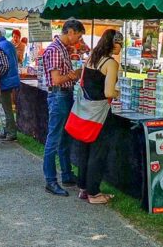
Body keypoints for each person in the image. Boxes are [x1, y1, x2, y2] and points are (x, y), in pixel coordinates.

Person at [74, 29, 122, 204]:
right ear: (112, 43)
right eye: (119, 43)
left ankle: (83, 188)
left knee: (84, 150)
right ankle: (94, 193)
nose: (121, 47)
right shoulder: (110, 63)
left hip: (86, 111)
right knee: (98, 152)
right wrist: (118, 93)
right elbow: (108, 91)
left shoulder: (91, 58)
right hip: (100, 113)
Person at [42, 19, 85, 196]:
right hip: (58, 95)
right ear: (71, 32)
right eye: (79, 36)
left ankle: (67, 174)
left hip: (64, 95)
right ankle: (50, 180)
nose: (79, 40)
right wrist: (74, 74)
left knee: (65, 138)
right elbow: (56, 79)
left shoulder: (62, 49)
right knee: (54, 139)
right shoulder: (55, 49)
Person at [0, 26, 20, 142]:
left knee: (6, 108)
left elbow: (4, 65)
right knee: (6, 107)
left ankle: (11, 133)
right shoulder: (8, 44)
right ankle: (7, 131)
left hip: (5, 81)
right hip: (12, 78)